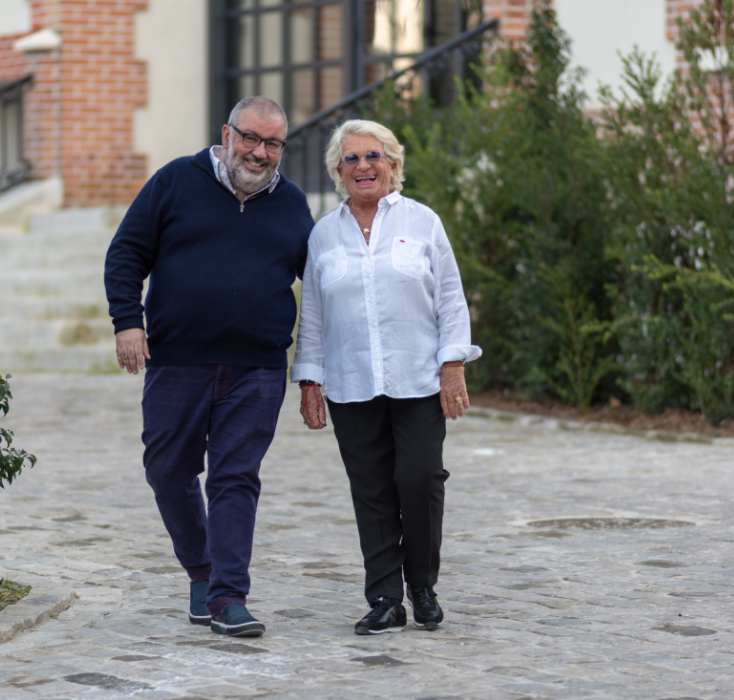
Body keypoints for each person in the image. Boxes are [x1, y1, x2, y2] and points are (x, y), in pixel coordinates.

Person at [104, 97, 313, 638]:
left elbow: (317, 288)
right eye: (251, 138)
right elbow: (126, 254)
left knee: (234, 478)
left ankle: (227, 596)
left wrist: (312, 370)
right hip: (177, 360)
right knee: (168, 471)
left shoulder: (291, 204)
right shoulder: (176, 181)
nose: (260, 152)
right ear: (227, 133)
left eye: (272, 144)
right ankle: (201, 571)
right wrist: (129, 323)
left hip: (257, 369)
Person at [290, 119, 481, 635]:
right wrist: (310, 380)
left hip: (418, 379)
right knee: (371, 490)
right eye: (350, 159)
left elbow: (449, 299)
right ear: (337, 171)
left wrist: (453, 365)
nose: (362, 167)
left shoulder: (423, 222)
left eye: (373, 156)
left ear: (393, 165)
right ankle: (385, 599)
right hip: (352, 382)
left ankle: (422, 584)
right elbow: (313, 315)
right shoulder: (323, 234)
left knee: (419, 479)